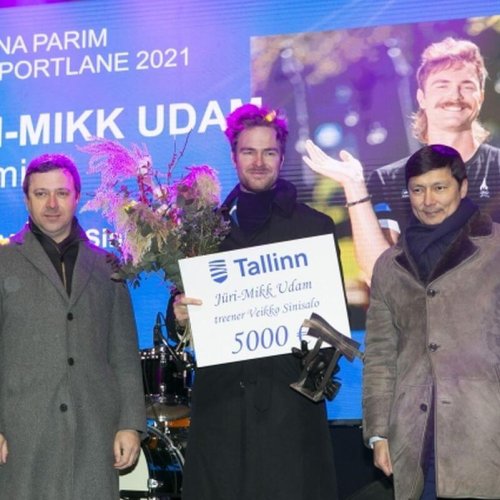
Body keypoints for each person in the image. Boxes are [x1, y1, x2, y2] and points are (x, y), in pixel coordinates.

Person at [172, 104, 339, 500]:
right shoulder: (204, 230)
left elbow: (331, 328)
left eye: (269, 152)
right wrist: (180, 315)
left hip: (289, 411)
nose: (259, 162)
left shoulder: (313, 227)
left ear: (282, 157)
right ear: (233, 156)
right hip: (221, 410)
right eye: (249, 151)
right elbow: (182, 309)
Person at [0, 154, 146, 499]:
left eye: (62, 193)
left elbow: (124, 354)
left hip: (94, 435)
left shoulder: (108, 265)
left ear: (77, 197)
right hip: (22, 436)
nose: (52, 204)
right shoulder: (4, 262)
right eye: (41, 194)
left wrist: (130, 424)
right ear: (27, 200)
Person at [362, 144, 500, 499]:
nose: (428, 201)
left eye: (439, 188)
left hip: (486, 430)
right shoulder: (389, 265)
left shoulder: (495, 249)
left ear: (462, 187)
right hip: (414, 438)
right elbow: (379, 355)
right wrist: (379, 432)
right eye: (418, 190)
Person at [303, 37, 500, 283]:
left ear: (480, 96)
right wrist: (353, 186)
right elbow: (377, 274)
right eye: (442, 85)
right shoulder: (389, 180)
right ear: (422, 98)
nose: (455, 95)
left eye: (467, 86)